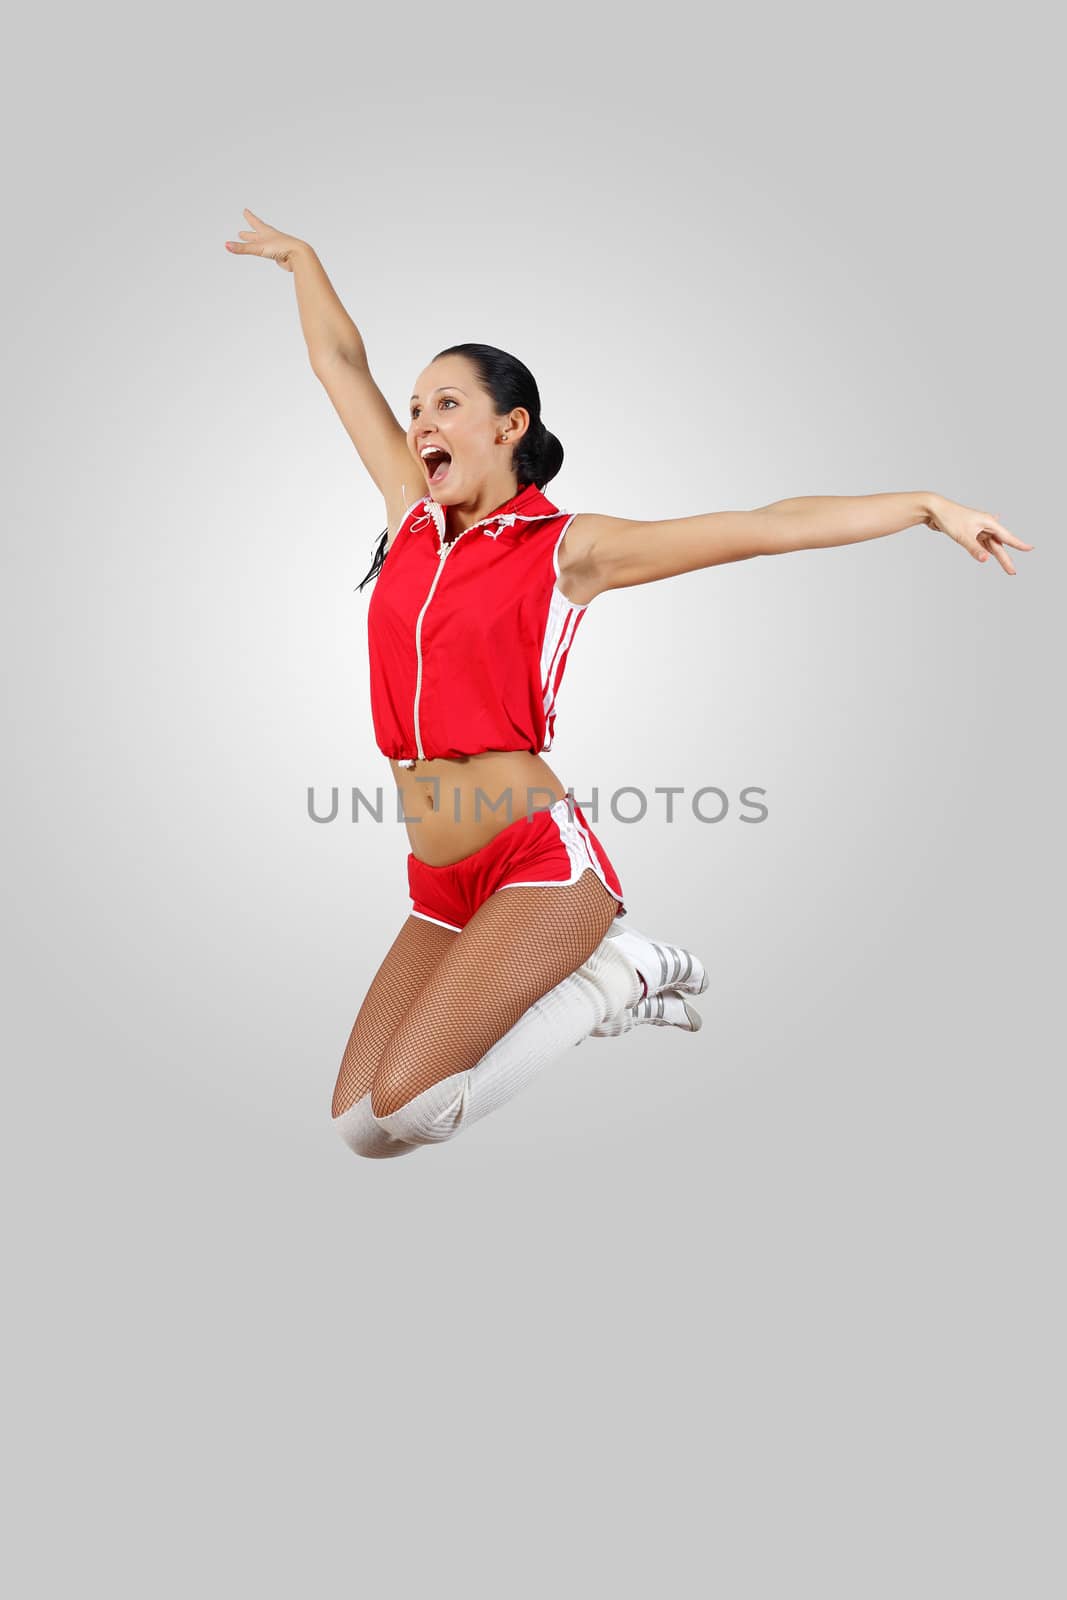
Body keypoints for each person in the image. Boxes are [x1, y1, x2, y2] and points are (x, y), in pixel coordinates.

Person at [226, 208, 1033, 1159]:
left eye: (446, 404)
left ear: (508, 425)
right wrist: (301, 260)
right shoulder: (407, 516)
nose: (419, 424)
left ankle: (624, 972)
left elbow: (760, 523)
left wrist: (923, 506)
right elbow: (339, 365)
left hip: (535, 864)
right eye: (415, 410)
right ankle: (609, 974)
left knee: (414, 1104)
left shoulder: (567, 548)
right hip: (438, 876)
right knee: (366, 1127)